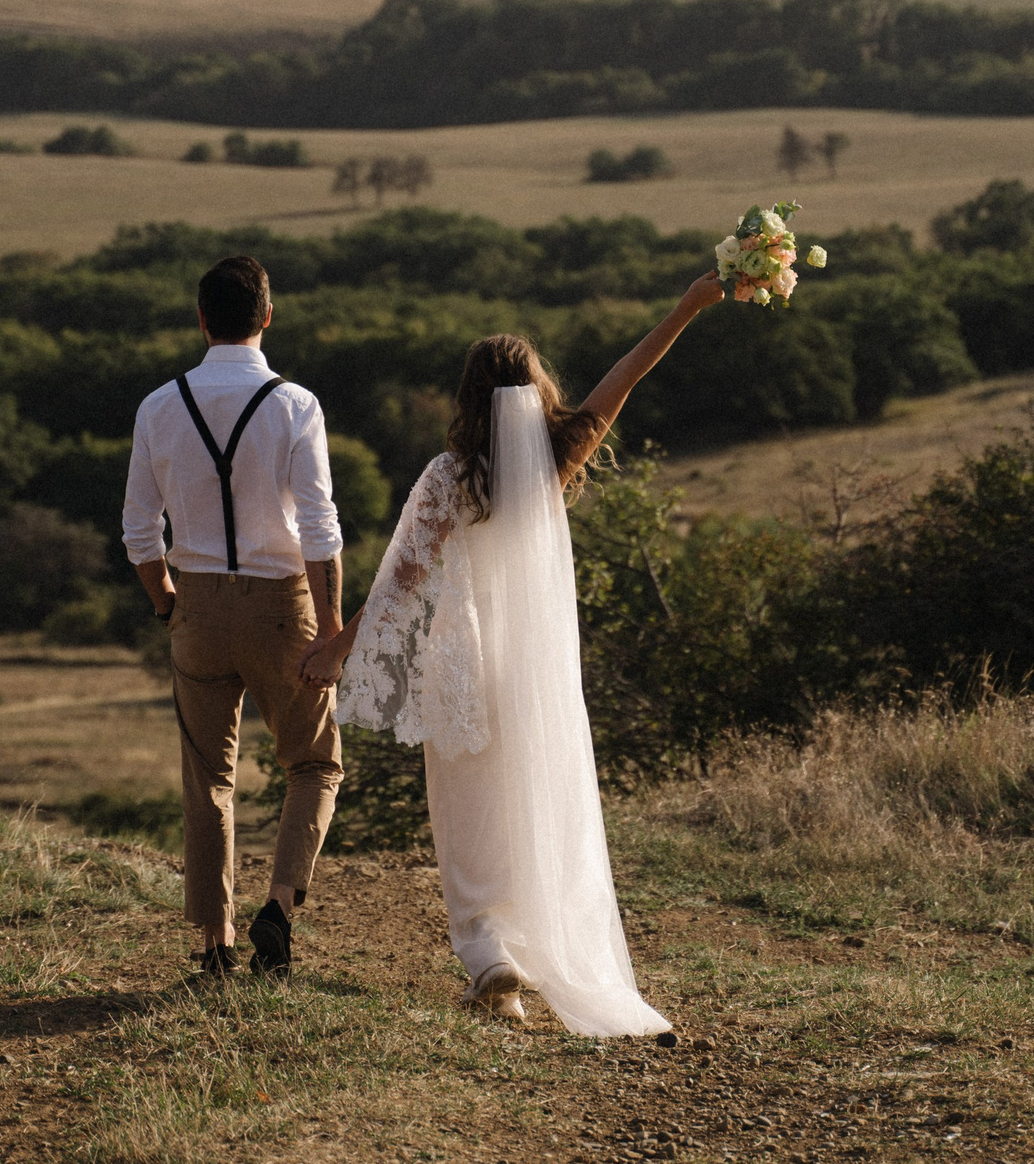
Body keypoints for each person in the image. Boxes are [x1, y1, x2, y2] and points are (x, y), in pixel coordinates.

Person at [305, 272, 725, 1034]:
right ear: (536, 390)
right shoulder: (557, 459)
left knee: (466, 818)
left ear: (467, 396)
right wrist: (689, 305)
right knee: (530, 807)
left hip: (462, 666)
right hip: (536, 671)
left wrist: (340, 644)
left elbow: (402, 581)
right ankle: (523, 948)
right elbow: (624, 374)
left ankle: (490, 957)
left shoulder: (448, 476)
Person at [122, 255, 344, 979]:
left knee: (207, 778)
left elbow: (137, 532)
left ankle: (214, 942)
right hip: (283, 603)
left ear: (201, 318)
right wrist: (334, 629)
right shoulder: (295, 404)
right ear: (268, 317)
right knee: (313, 761)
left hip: (198, 602)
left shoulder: (158, 405)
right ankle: (277, 908)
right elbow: (320, 529)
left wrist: (165, 601)